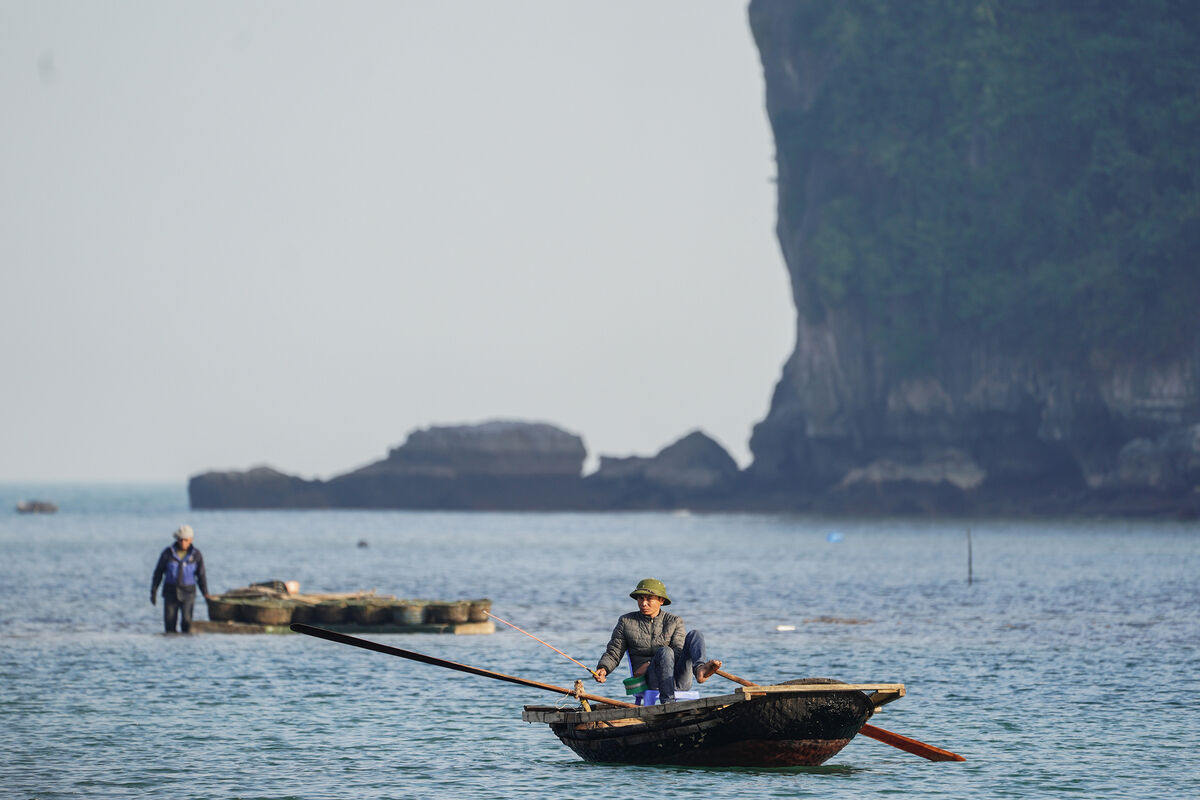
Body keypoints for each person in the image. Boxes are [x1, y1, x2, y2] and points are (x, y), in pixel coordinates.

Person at [593, 578, 721, 704]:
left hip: (678, 678)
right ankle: (668, 703)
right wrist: (603, 669)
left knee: (695, 634)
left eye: (649, 599)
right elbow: (614, 651)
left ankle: (700, 669)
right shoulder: (626, 621)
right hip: (650, 680)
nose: (643, 603)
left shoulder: (674, 621)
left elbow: (678, 651)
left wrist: (649, 663)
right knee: (665, 651)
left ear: (661, 600)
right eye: (640, 598)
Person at [150, 524, 211, 633]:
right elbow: (158, 573)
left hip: (188, 593)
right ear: (177, 539)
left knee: (187, 622)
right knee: (169, 624)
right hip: (170, 592)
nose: (183, 543)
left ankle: (185, 647)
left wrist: (205, 593)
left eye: (186, 540)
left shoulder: (196, 555)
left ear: (191, 540)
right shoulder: (168, 553)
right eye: (181, 540)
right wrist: (154, 591)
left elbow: (201, 576)